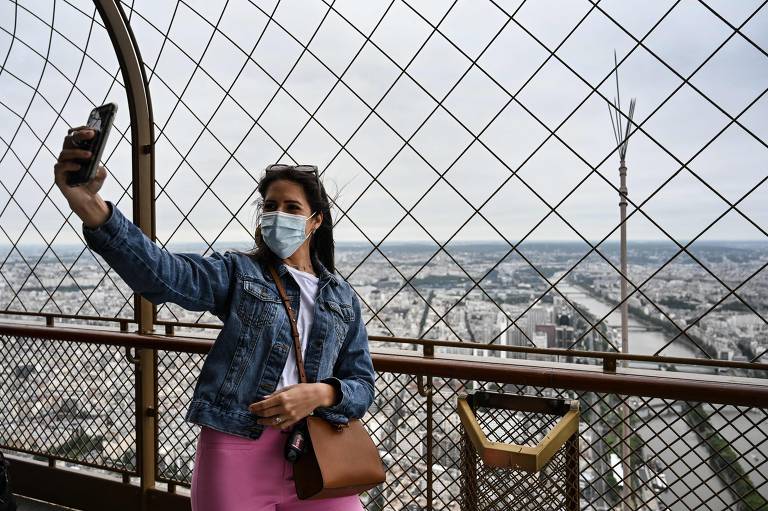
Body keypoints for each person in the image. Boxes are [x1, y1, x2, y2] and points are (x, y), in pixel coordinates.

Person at [54, 127, 376, 510]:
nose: (277, 216)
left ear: (316, 220)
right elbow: (164, 275)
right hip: (237, 445)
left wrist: (321, 393)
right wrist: (92, 207)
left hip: (315, 449)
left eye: (291, 208)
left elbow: (361, 383)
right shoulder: (240, 273)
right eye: (270, 207)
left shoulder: (342, 298)